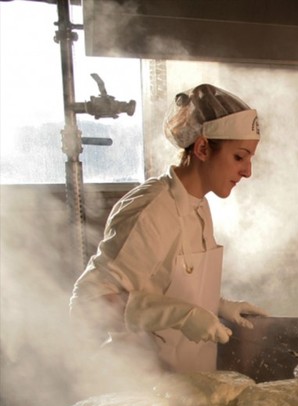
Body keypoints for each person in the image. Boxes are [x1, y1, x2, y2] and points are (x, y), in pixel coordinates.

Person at [70, 83, 268, 373]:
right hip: (142, 382)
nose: (248, 171)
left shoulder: (199, 206)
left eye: (250, 158)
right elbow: (89, 305)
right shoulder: (154, 209)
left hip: (189, 382)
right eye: (239, 157)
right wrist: (180, 315)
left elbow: (162, 284)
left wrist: (217, 305)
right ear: (202, 148)